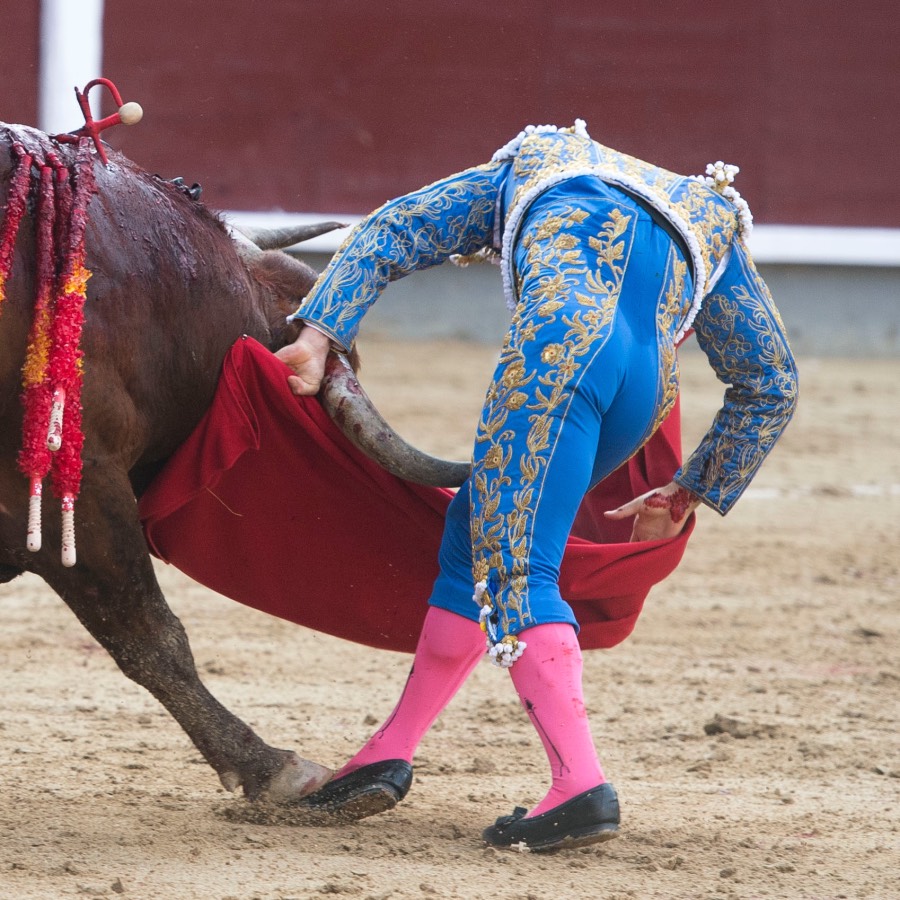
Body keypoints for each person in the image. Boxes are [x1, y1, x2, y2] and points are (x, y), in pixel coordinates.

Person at [275, 120, 798, 851]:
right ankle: (387, 753)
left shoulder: (533, 165)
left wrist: (318, 334)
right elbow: (770, 380)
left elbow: (395, 228)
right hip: (645, 391)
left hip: (558, 353)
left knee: (516, 566)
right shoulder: (705, 211)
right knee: (473, 543)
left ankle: (580, 783)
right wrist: (691, 489)